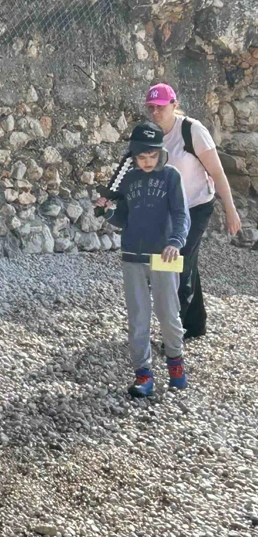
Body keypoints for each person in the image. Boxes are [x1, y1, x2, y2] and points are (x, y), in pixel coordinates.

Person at [142, 83, 243, 340]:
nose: (155, 112)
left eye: (160, 107)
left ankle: (173, 333)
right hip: (170, 213)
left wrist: (231, 211)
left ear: (174, 105)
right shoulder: (151, 135)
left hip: (197, 206)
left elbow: (217, 172)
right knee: (187, 262)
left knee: (177, 263)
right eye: (151, 108)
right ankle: (196, 325)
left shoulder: (191, 130)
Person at [106, 121, 190, 397]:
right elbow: (122, 218)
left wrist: (176, 242)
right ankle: (143, 375)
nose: (147, 162)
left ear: (161, 153)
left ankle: (175, 364)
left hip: (164, 255)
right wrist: (105, 212)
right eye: (141, 157)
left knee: (168, 313)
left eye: (152, 156)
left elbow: (181, 214)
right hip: (132, 255)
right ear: (133, 156)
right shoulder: (127, 179)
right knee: (138, 317)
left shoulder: (171, 176)